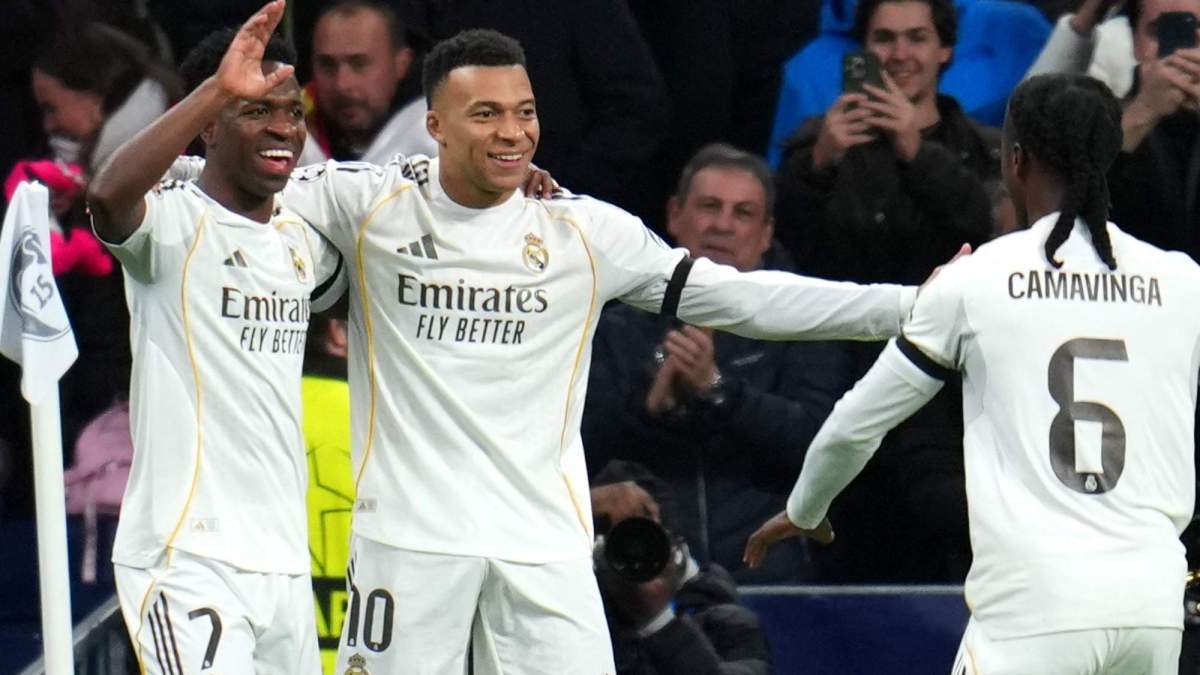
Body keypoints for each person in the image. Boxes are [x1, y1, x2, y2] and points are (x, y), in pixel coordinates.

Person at [241, 23, 942, 672]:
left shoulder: (582, 230)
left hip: (546, 549)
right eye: (485, 114)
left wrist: (909, 304)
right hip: (409, 547)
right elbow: (198, 195)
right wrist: (211, 110)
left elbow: (743, 297)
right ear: (434, 126)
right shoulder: (364, 203)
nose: (513, 132)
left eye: (524, 111)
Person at [746, 73, 1199, 674]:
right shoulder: (1183, 281)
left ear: (1015, 161)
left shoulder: (976, 279)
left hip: (1035, 606)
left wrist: (805, 507)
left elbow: (855, 425)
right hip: (1153, 603)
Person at [85, 4, 346, 672]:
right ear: (207, 125)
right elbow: (107, 200)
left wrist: (527, 189)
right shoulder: (169, 225)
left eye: (292, 111)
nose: (284, 127)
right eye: (256, 109)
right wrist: (216, 88)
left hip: (286, 566)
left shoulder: (300, 240)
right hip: (188, 558)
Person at [583, 143, 853, 583]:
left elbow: (824, 448)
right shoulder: (614, 331)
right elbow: (570, 449)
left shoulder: (805, 324)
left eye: (743, 213)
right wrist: (646, 411)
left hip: (773, 582)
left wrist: (719, 391)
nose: (723, 225)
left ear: (767, 235)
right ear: (674, 216)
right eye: (710, 207)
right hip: (643, 582)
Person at [591, 460, 771, 675]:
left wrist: (658, 622)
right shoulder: (573, 613)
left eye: (645, 541)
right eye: (615, 544)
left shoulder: (722, 620)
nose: (631, 557)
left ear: (674, 547)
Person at [299, 0, 437, 166]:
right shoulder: (294, 128)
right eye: (327, 65)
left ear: (402, 63)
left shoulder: (438, 139)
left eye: (359, 64)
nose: (342, 84)